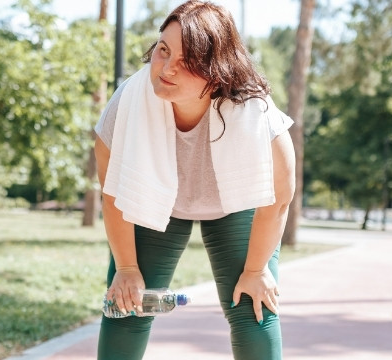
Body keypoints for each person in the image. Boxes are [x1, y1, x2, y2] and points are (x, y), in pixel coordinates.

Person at [92, 1, 295, 359]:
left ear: (216, 74)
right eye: (163, 51)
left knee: (253, 306)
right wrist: (125, 269)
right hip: (153, 201)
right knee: (127, 304)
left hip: (235, 204)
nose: (167, 69)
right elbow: (113, 194)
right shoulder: (126, 104)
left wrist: (256, 270)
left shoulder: (257, 114)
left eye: (186, 63)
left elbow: (278, 199)